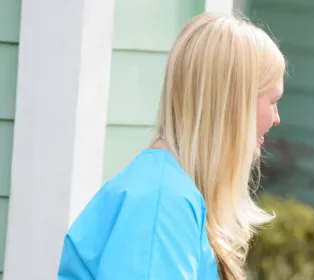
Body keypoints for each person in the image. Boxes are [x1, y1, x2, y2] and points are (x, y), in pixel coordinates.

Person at [57, 12, 285, 280]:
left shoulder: (168, 192)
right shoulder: (160, 204)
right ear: (233, 104)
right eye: (272, 101)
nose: (276, 118)